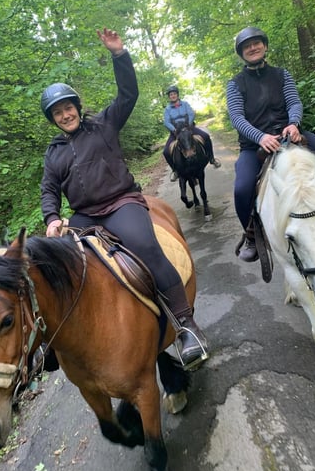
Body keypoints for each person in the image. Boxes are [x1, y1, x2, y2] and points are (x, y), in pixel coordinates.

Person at [40, 27, 208, 367]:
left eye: (68, 108)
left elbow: (128, 93)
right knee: (56, 267)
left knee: (146, 247)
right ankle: (50, 346)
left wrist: (120, 55)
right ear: (53, 119)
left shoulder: (104, 124)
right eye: (57, 113)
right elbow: (49, 189)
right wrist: (52, 217)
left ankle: (187, 326)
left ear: (76, 106)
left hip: (120, 203)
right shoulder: (53, 152)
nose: (65, 115)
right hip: (84, 216)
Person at [226, 26, 315, 262]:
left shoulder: (282, 75)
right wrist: (260, 137)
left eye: (256, 43)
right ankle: (251, 233)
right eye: (247, 46)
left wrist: (294, 123)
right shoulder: (235, 84)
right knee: (242, 188)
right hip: (255, 144)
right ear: (241, 53)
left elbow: (294, 102)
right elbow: (237, 117)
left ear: (265, 46)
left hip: (290, 133)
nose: (253, 48)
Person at [162, 84, 221, 182]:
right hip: (176, 132)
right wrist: (174, 129)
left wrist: (188, 125)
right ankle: (175, 171)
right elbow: (166, 122)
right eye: (171, 94)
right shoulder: (167, 109)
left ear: (177, 95)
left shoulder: (185, 104)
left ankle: (212, 159)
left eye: (174, 94)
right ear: (169, 97)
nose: (173, 96)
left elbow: (191, 113)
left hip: (189, 128)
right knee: (166, 152)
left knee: (206, 136)